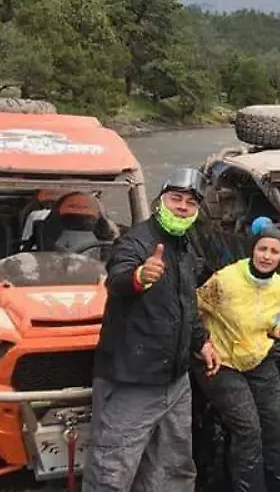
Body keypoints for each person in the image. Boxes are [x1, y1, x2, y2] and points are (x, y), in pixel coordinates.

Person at [84, 168, 221, 492]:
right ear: (161, 200)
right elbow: (117, 278)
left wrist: (201, 342)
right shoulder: (136, 240)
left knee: (173, 468)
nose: (183, 207)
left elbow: (186, 303)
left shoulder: (185, 246)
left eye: (190, 202)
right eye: (176, 198)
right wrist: (140, 277)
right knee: (112, 471)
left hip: (175, 380)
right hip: (133, 379)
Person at [194, 221, 280, 492]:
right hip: (221, 363)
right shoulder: (225, 280)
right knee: (248, 431)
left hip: (258, 358)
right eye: (262, 249)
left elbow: (273, 319)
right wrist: (202, 343)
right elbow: (193, 309)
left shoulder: (278, 284)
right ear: (252, 250)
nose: (267, 256)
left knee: (278, 429)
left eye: (274, 252)